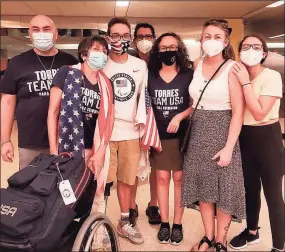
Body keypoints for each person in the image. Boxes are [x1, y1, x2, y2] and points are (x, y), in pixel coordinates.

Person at [181, 19, 246, 252]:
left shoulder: (232, 68)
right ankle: (207, 236)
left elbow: (238, 111)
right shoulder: (197, 63)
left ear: (226, 42)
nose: (211, 41)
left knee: (224, 188)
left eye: (217, 37)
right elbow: (194, 101)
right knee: (204, 188)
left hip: (223, 132)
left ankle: (220, 241)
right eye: (207, 36)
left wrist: (229, 147)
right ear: (201, 40)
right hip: (197, 131)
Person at [229, 35, 285, 252]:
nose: (250, 50)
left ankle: (279, 246)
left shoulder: (272, 76)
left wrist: (245, 83)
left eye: (256, 47)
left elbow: (260, 113)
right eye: (245, 47)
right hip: (245, 138)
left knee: (273, 195)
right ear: (239, 51)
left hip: (267, 138)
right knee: (249, 190)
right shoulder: (236, 75)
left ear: (263, 53)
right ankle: (252, 232)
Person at [1, 15, 78, 169]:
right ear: (30, 34)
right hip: (30, 143)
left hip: (65, 139)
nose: (41, 33)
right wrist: (5, 140)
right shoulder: (17, 63)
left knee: (64, 187)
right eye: (35, 29)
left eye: (46, 29)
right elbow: (7, 102)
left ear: (56, 34)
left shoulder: (70, 62)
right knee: (29, 188)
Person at [103, 17, 147, 245]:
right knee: (102, 180)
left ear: (131, 37)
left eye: (125, 35)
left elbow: (144, 99)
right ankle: (97, 220)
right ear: (108, 37)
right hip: (105, 134)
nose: (120, 39)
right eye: (116, 35)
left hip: (131, 132)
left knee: (127, 180)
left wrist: (145, 131)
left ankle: (124, 221)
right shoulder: (101, 63)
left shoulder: (140, 65)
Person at [147, 32, 193, 245]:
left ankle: (178, 223)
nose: (168, 51)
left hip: (183, 137)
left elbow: (195, 104)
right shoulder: (150, 74)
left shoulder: (188, 74)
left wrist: (180, 115)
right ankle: (164, 223)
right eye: (164, 48)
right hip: (159, 136)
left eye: (172, 47)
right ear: (157, 51)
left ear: (180, 49)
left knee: (179, 179)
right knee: (162, 179)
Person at [129, 22, 162, 226]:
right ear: (134, 39)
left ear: (154, 38)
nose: (144, 40)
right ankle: (131, 206)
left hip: (157, 120)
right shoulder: (129, 60)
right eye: (140, 36)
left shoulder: (160, 62)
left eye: (148, 36)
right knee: (132, 165)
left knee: (157, 167)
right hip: (134, 120)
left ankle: (154, 205)